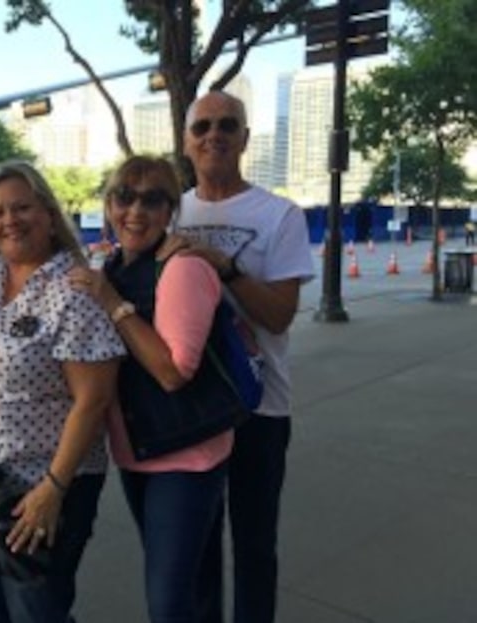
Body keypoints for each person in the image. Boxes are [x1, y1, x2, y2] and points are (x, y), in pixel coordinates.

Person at [0, 160, 125, 623]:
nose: (9, 220)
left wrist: (52, 489)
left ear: (49, 215)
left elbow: (93, 400)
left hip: (46, 480)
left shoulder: (72, 289)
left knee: (36, 609)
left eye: (22, 208)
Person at [69, 154, 233, 623]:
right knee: (194, 587)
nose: (135, 211)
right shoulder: (116, 266)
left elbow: (173, 371)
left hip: (186, 457)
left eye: (153, 200)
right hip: (140, 450)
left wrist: (112, 303)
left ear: (169, 212)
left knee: (168, 602)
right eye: (124, 197)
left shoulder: (182, 270)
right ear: (108, 205)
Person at [177, 91, 315, 623]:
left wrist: (225, 268)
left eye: (227, 125)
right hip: (194, 409)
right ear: (187, 142)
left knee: (255, 546)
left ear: (244, 139)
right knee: (200, 548)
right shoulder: (171, 212)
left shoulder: (279, 215)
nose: (215, 134)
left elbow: (279, 315)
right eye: (203, 126)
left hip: (260, 408)